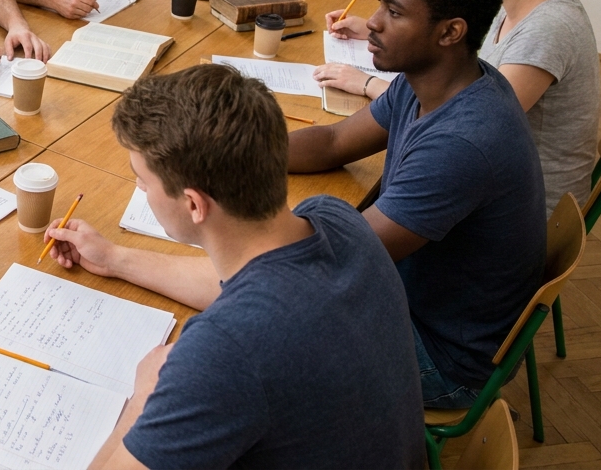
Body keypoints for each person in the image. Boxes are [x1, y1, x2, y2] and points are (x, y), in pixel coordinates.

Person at [44, 65, 422, 469]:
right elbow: (238, 284)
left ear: (193, 204)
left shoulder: (225, 352)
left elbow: (242, 324)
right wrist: (116, 259)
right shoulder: (335, 219)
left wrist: (144, 397)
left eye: (142, 179)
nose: (139, 188)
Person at [292, 0, 546, 409]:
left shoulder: (465, 142)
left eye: (394, 11)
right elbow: (332, 142)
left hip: (441, 357)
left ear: (450, 32)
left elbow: (335, 255)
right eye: (379, 5)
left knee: (258, 332)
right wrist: (229, 150)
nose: (372, 22)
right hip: (412, 297)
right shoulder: (437, 79)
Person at [318, 0, 598, 215]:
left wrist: (366, 83)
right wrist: (381, 29)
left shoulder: (549, 29)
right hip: (486, 176)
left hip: (525, 207)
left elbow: (468, 115)